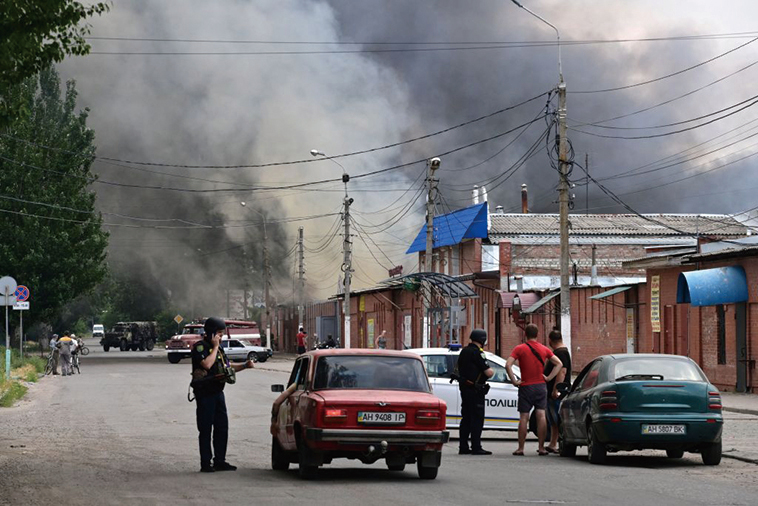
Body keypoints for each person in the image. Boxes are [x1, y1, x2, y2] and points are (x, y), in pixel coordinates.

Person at [191, 317, 255, 473]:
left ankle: (220, 460)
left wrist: (244, 366)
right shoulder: (200, 347)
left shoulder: (218, 349)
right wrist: (214, 346)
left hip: (218, 392)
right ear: (211, 333)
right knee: (206, 429)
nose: (222, 336)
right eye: (219, 333)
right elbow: (207, 364)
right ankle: (205, 463)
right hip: (205, 394)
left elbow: (226, 366)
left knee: (222, 428)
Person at [506, 324, 563, 456]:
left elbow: (508, 364)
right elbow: (559, 363)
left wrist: (514, 381)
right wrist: (548, 378)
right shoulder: (544, 349)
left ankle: (520, 448)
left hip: (525, 386)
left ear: (525, 334)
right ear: (537, 334)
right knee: (541, 415)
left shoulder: (519, 348)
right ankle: (541, 447)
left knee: (524, 416)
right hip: (540, 386)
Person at [456, 329, 494, 455]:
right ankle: (476, 446)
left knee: (466, 417)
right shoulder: (478, 353)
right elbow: (488, 372)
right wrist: (492, 371)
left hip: (464, 388)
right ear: (482, 340)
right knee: (477, 418)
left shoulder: (464, 351)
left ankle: (463, 446)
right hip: (475, 390)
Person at [545, 329, 571, 453]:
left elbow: (562, 371)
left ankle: (558, 443)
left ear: (550, 340)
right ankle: (553, 443)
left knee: (556, 418)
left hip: (557, 392)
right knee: (553, 419)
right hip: (556, 390)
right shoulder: (562, 351)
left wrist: (556, 389)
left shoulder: (561, 353)